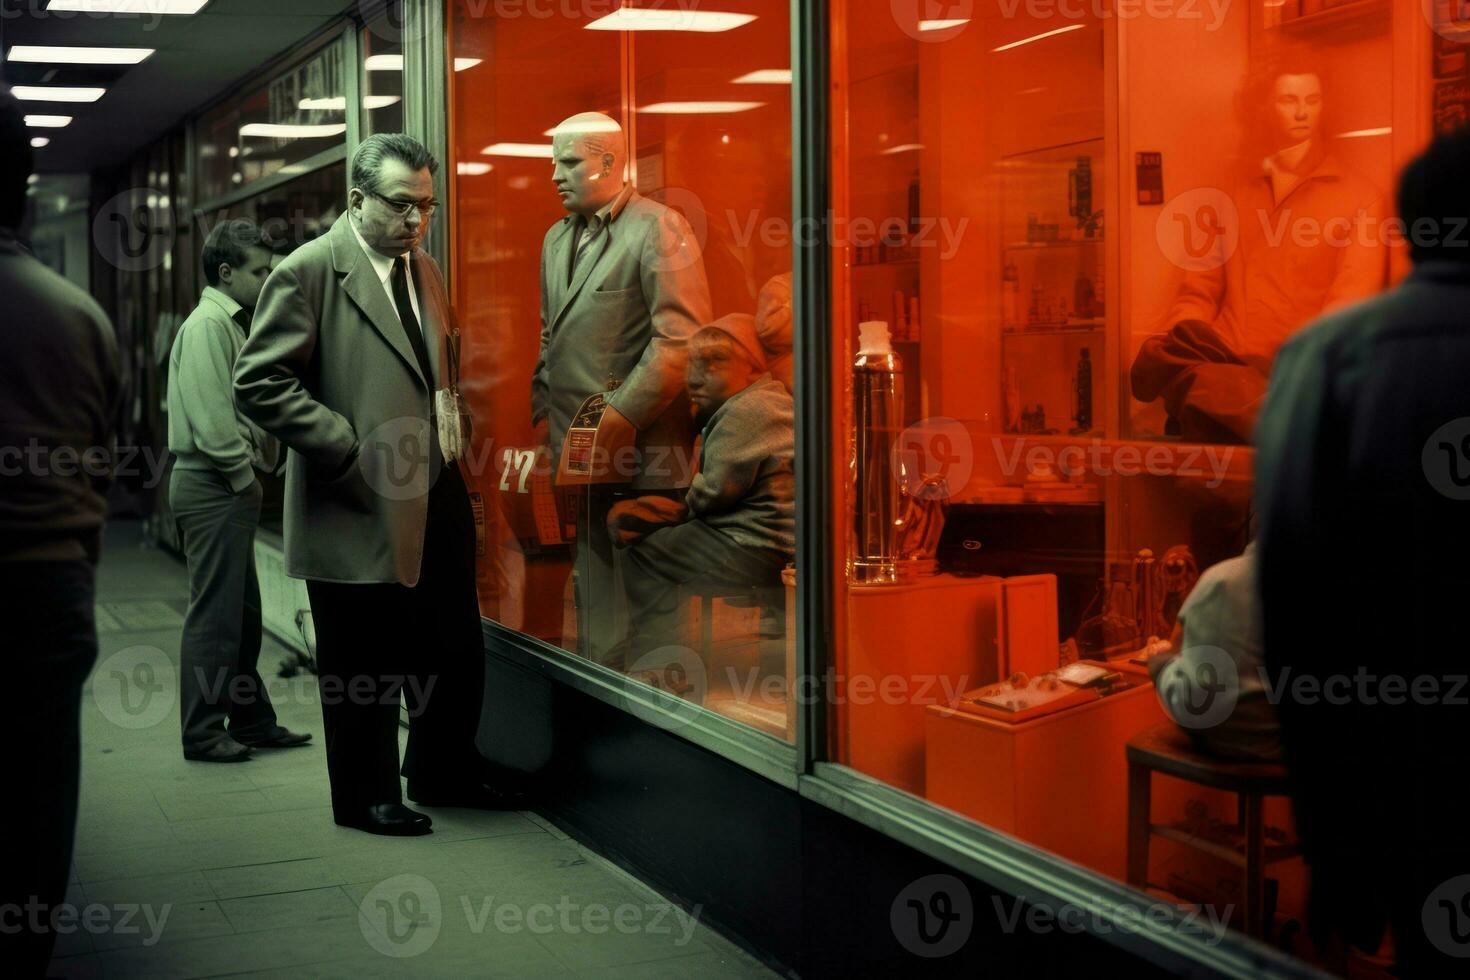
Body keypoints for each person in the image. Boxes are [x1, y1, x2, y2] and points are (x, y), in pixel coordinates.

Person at [1255, 125, 1470, 974]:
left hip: (1402, 776)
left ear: (1411, 229)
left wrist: (1331, 839)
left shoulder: (1327, 358)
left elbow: (1295, 603)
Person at [234, 133, 493, 837]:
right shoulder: (310, 270)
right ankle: (364, 796)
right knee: (361, 655)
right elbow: (258, 381)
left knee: (451, 639)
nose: (417, 221)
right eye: (403, 205)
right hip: (354, 495)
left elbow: (433, 361)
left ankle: (444, 768)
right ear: (357, 200)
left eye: (428, 207)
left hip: (432, 482)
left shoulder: (425, 269)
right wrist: (344, 446)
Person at [0, 83, 121, 973]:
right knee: (32, 804)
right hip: (45, 592)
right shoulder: (76, 315)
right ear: (26, 184)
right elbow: (101, 465)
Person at [533, 111, 712, 667]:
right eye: (554, 163)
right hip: (580, 453)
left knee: (653, 603)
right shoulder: (556, 238)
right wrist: (544, 414)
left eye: (569, 162)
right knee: (596, 596)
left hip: (644, 452)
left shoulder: (660, 227)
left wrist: (618, 418)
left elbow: (680, 341)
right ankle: (604, 719)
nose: (556, 176)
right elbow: (549, 335)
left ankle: (664, 722)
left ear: (610, 162)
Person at [1133, 55, 1387, 444]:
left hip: (1293, 376)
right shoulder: (1233, 192)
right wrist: (1180, 341)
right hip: (1224, 368)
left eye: (1312, 100)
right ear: (1266, 107)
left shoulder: (1360, 198)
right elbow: (1198, 292)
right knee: (1171, 354)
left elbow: (1346, 318)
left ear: (1325, 106)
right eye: (1288, 100)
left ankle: (1269, 416)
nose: (1302, 112)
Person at [167, 219, 309, 763]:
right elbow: (211, 418)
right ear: (226, 273)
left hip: (221, 484)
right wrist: (243, 477)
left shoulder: (231, 322)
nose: (267, 279)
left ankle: (250, 718)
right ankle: (203, 732)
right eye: (259, 271)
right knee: (216, 617)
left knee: (242, 615)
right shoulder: (208, 325)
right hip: (212, 484)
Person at [618, 314, 795, 659]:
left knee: (646, 553)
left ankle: (656, 656)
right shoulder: (774, 401)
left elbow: (714, 492)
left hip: (754, 543)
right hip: (783, 541)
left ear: (753, 370)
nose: (696, 377)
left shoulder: (748, 410)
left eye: (714, 364)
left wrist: (678, 509)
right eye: (693, 365)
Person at [1149, 542, 1281, 763]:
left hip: (1210, 732)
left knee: (1160, 660)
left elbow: (1175, 643)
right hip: (1281, 742)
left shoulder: (1218, 577)